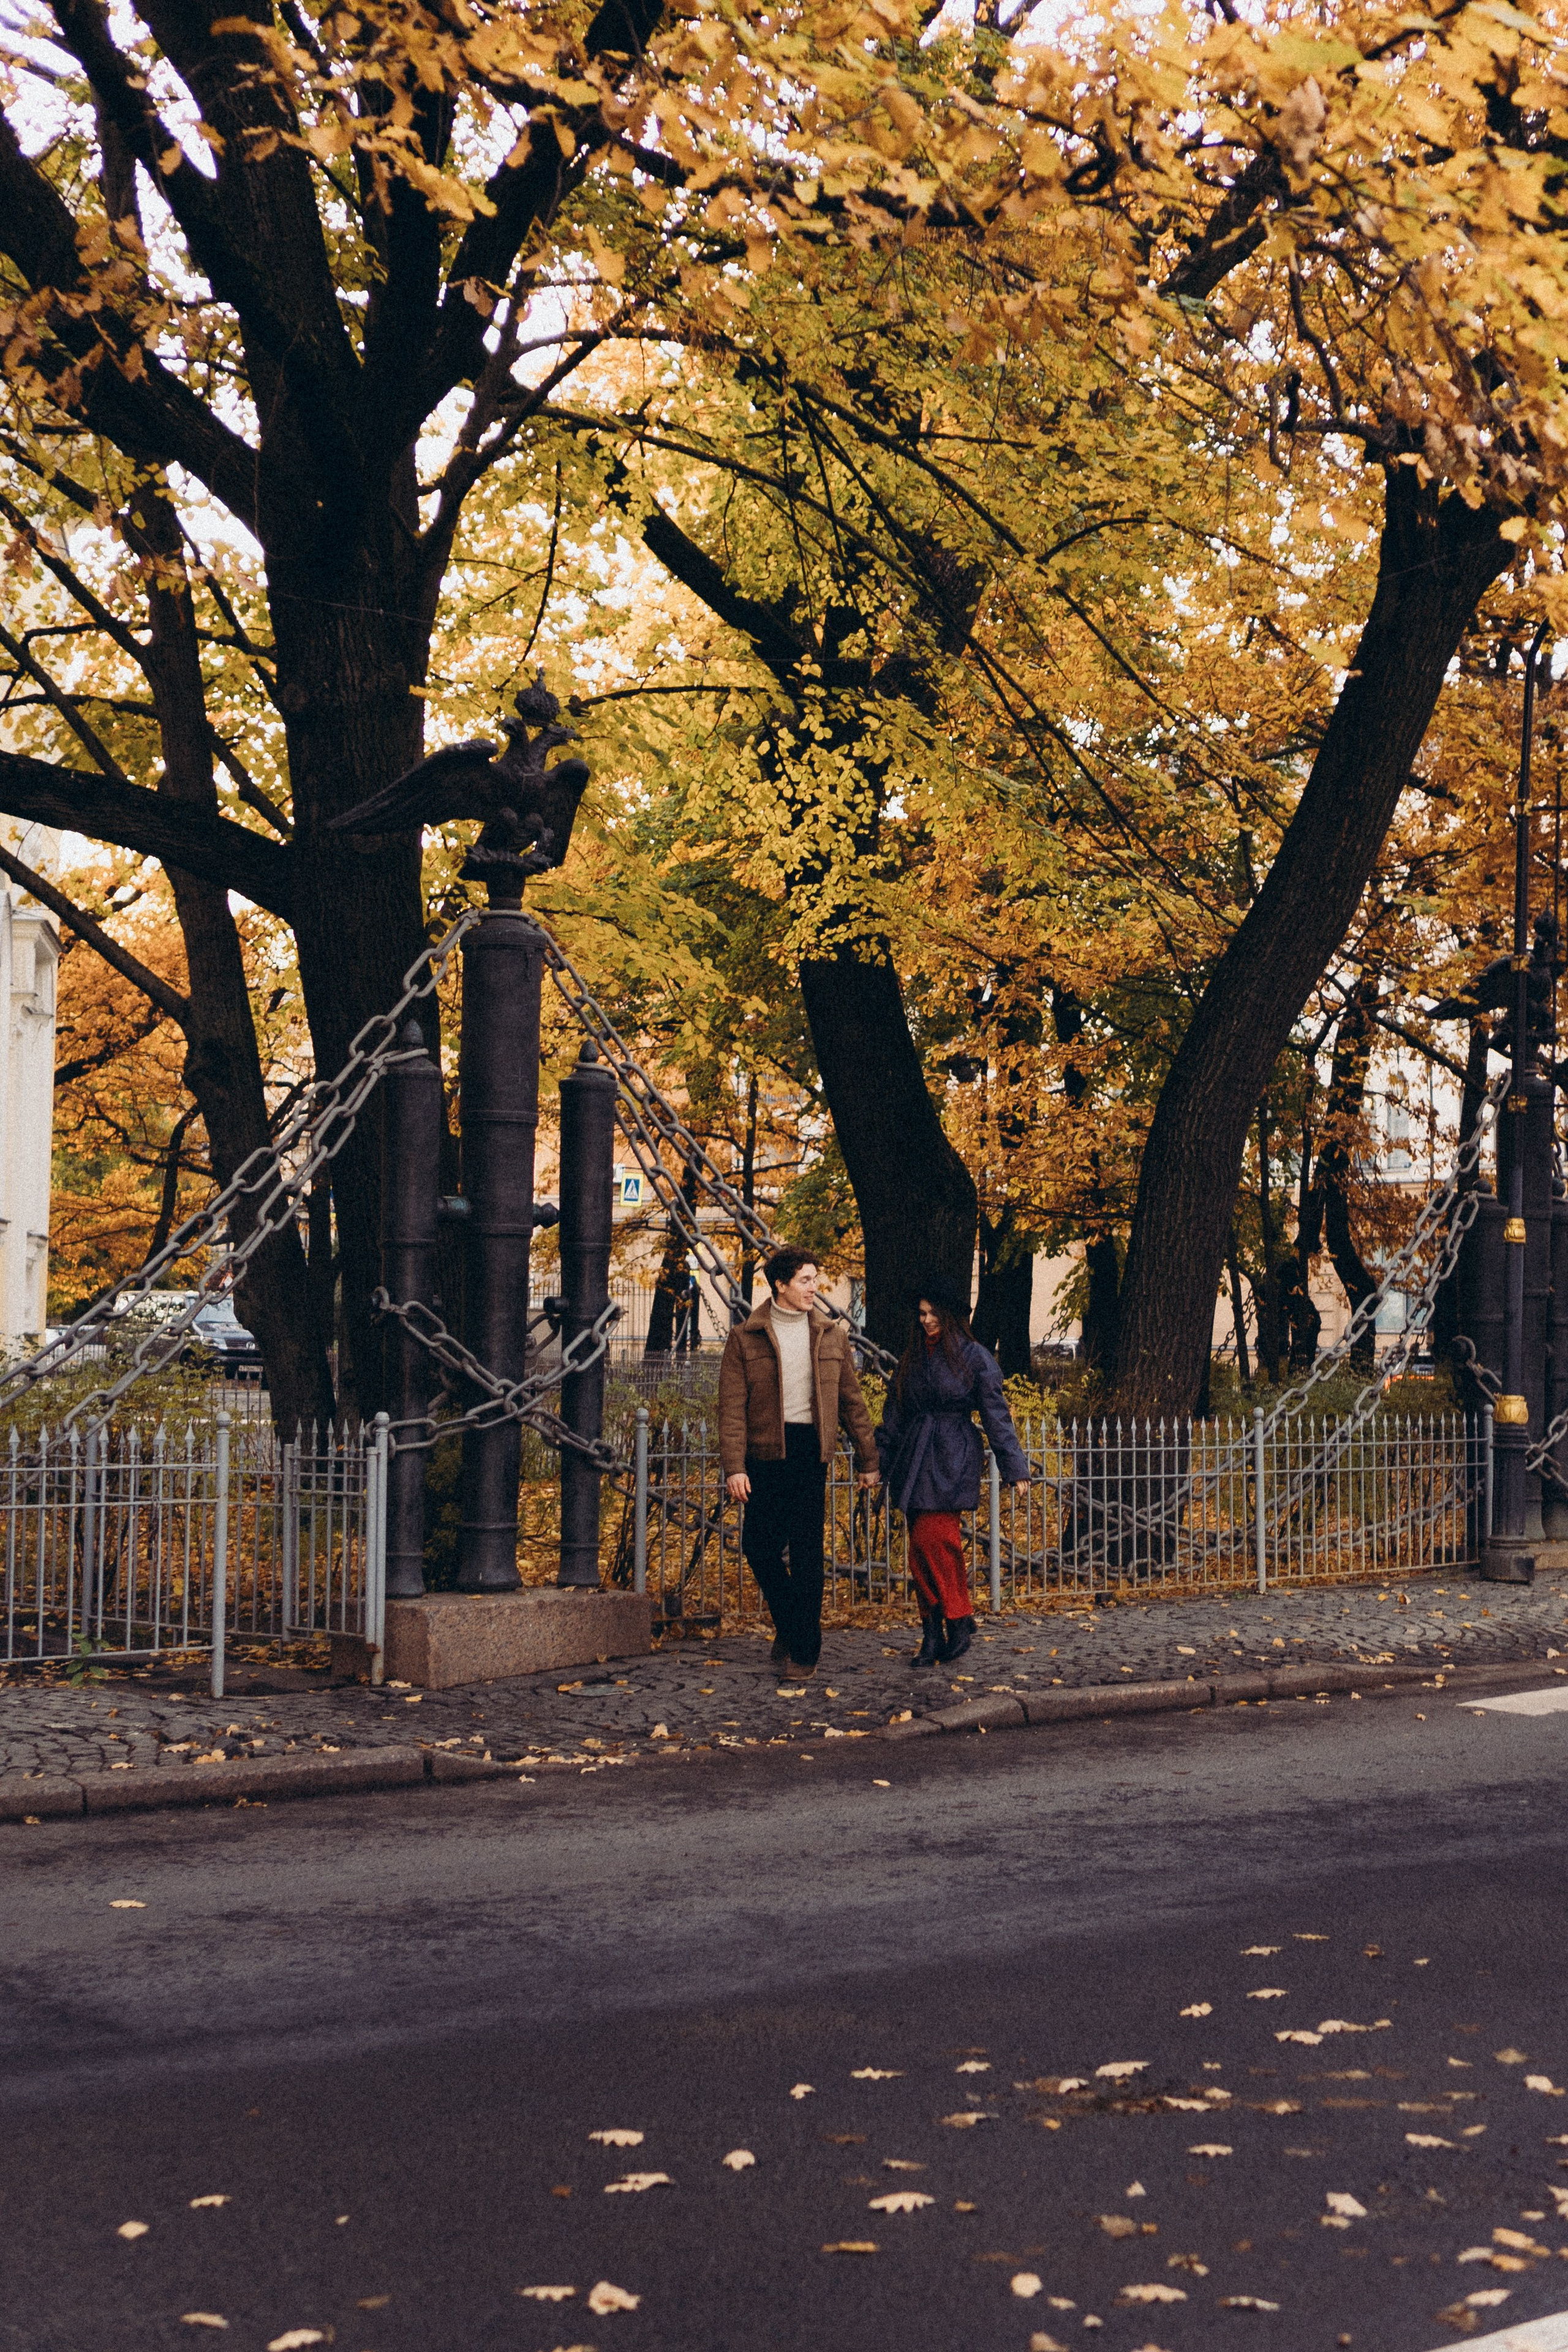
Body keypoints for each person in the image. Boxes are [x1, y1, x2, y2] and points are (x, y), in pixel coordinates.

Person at [719, 1248, 880, 1679]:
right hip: (764, 1452)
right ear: (781, 1285)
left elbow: (852, 1402)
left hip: (811, 1449)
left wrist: (868, 1460)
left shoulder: (831, 1336)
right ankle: (792, 1623)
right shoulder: (745, 1337)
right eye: (806, 1280)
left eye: (815, 1279)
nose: (815, 1288)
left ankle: (805, 1650)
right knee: (759, 1546)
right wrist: (735, 1466)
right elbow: (731, 1409)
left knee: (807, 1551)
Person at [876, 1273, 1030, 1668]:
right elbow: (894, 1413)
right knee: (918, 1551)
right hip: (913, 1457)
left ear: (950, 1316)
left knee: (936, 1541)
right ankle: (931, 1631)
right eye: (922, 1314)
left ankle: (958, 1618)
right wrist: (877, 1461)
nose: (926, 1320)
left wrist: (1015, 1468)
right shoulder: (912, 1357)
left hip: (952, 1455)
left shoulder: (975, 1356)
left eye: (933, 1314)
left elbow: (997, 1415)